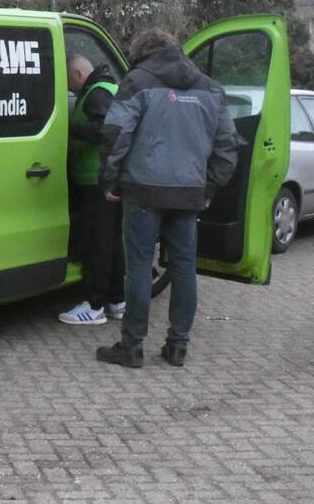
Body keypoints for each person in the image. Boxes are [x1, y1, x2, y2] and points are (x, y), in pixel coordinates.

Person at [96, 29, 238, 368]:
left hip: (143, 190)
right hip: (189, 193)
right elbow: (228, 146)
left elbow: (116, 134)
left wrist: (110, 180)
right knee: (185, 268)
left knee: (140, 267)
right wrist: (209, 188)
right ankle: (178, 346)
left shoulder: (137, 81)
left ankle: (132, 346)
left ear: (143, 52)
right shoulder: (209, 87)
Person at [59, 54, 125, 325]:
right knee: (111, 242)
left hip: (96, 179)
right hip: (110, 178)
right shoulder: (110, 87)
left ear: (77, 75)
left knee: (97, 243)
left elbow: (103, 130)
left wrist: (70, 128)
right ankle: (117, 301)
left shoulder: (97, 94)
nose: (71, 89)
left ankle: (94, 305)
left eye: (69, 82)